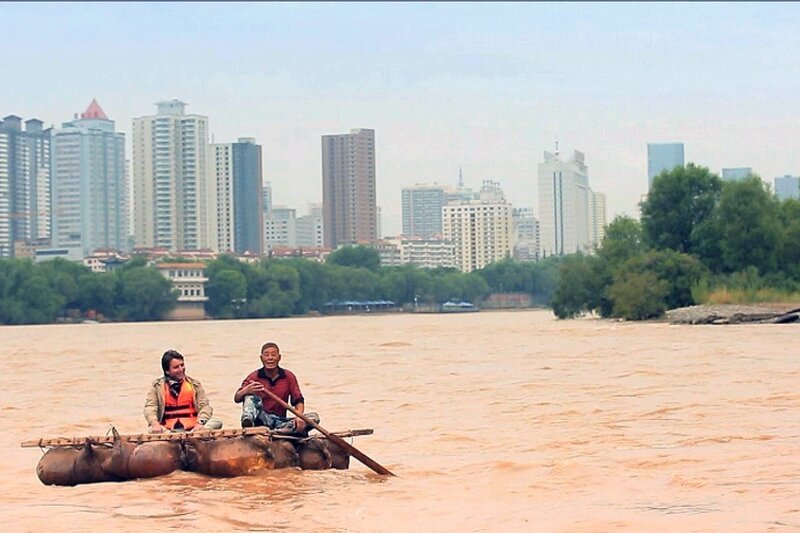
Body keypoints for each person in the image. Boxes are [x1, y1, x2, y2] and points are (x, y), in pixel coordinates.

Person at [233, 342, 319, 435]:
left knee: (314, 417)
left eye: (273, 355)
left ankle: (278, 432)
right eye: (266, 355)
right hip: (262, 419)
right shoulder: (254, 377)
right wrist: (246, 390)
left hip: (280, 421)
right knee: (249, 396)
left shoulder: (288, 376)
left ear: (279, 358)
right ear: (261, 358)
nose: (270, 358)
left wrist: (299, 417)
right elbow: (237, 398)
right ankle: (248, 422)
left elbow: (298, 400)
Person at [144, 349, 223, 433]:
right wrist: (155, 423)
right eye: (176, 367)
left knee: (217, 422)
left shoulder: (195, 385)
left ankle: (195, 434)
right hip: (168, 430)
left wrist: (200, 423)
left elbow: (205, 407)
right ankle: (174, 436)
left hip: (193, 429)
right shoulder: (157, 387)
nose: (181, 369)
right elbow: (150, 407)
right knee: (151, 430)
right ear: (167, 371)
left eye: (182, 365)